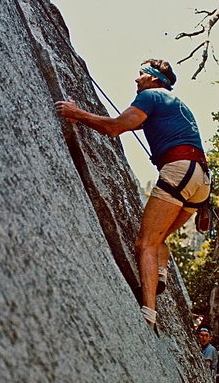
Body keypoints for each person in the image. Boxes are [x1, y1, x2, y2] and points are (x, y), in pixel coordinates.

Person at [55, 59, 210, 330]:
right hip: (201, 181)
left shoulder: (151, 96)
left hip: (179, 170)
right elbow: (134, 124)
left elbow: (115, 127)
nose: (136, 80)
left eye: (141, 74)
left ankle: (148, 312)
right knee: (161, 236)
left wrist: (77, 113)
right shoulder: (175, 104)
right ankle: (160, 273)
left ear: (152, 77)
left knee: (146, 243)